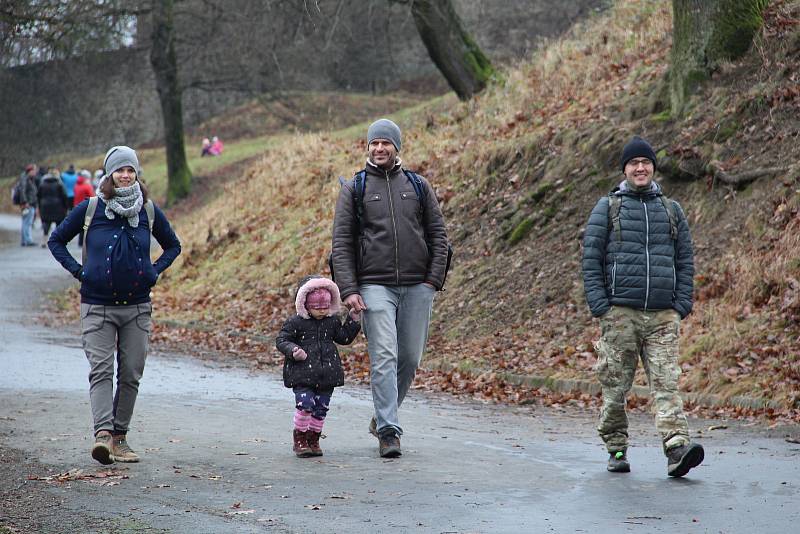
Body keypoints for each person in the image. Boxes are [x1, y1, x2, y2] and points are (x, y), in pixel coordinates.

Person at [48, 146, 181, 465]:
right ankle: (103, 436)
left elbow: (173, 245)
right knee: (101, 370)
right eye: (119, 170)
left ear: (137, 174)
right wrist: (80, 272)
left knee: (132, 372)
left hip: (137, 307)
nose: (125, 175)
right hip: (97, 306)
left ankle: (121, 437)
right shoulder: (90, 208)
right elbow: (56, 240)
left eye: (130, 170)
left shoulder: (148, 210)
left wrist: (153, 270)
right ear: (109, 174)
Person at [581, 136, 704, 478]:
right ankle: (616, 447)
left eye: (645, 162)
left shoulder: (671, 209)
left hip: (663, 314)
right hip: (620, 314)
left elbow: (685, 260)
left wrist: (681, 303)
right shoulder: (608, 207)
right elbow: (591, 261)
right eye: (634, 163)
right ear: (625, 169)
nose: (640, 168)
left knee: (666, 383)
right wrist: (602, 307)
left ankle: (676, 448)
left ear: (653, 167)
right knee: (615, 388)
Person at [331, 118, 449, 458]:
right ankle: (388, 430)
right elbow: (341, 244)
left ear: (397, 147)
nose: (379, 148)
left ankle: (384, 413)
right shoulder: (355, 188)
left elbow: (438, 235)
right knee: (384, 353)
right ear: (366, 147)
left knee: (409, 358)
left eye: (386, 143)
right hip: (373, 284)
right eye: (374, 143)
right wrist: (350, 289)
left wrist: (432, 280)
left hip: (417, 285)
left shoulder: (417, 185)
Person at [275, 275, 361, 457]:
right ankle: (299, 439)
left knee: (321, 408)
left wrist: (353, 320)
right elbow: (282, 340)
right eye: (316, 308)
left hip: (327, 374)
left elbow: (344, 338)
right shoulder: (295, 322)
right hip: (302, 374)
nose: (321, 312)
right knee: (305, 405)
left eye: (325, 307)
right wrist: (293, 350)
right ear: (305, 304)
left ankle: (313, 439)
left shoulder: (332, 321)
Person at [36, 170, 69, 248]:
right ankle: (58, 241)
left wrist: (40, 206)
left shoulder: (42, 184)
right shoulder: (59, 184)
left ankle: (44, 240)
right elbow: (64, 196)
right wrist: (66, 207)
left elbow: (38, 196)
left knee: (46, 223)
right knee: (59, 224)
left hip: (45, 206)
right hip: (58, 206)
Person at [16, 164, 38, 246]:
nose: (35, 172)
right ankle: (28, 240)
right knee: (27, 223)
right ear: (30, 171)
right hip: (28, 204)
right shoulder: (25, 179)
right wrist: (25, 202)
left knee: (26, 222)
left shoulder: (29, 179)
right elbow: (23, 191)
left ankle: (24, 240)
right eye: (34, 170)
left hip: (29, 203)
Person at [73, 170, 96, 247]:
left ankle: (80, 242)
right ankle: (85, 242)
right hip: (87, 208)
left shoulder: (76, 185)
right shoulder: (87, 186)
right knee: (86, 226)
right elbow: (92, 197)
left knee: (80, 225)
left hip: (77, 207)